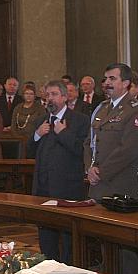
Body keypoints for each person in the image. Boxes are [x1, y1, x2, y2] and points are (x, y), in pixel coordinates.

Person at [84, 63, 138, 274]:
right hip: (98, 185)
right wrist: (89, 168)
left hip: (121, 185)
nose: (107, 83)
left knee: (125, 244)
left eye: (112, 79)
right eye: (105, 79)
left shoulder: (136, 110)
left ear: (126, 83)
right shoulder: (101, 109)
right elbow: (89, 144)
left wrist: (102, 171)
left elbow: (129, 149)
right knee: (104, 241)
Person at [31, 80, 88, 263]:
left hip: (67, 189)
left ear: (65, 97)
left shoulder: (80, 120)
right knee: (46, 241)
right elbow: (29, 151)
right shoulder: (40, 121)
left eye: (54, 94)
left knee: (68, 242)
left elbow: (82, 151)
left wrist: (63, 132)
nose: (50, 98)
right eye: (47, 95)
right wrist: (37, 135)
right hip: (43, 188)